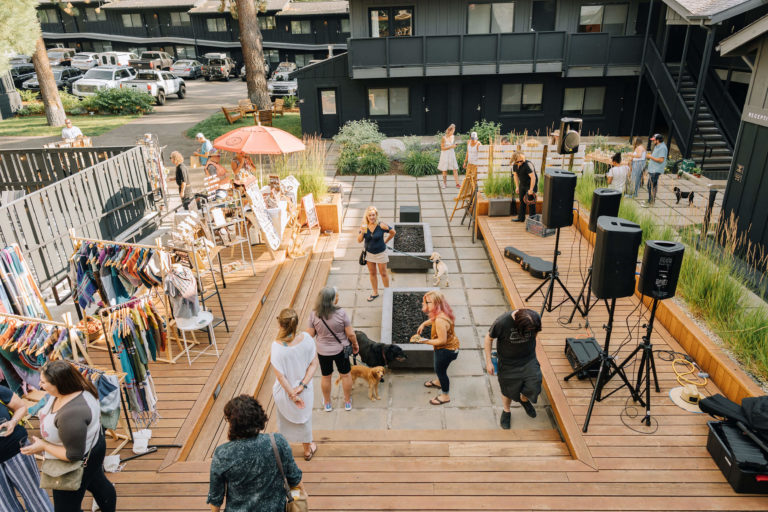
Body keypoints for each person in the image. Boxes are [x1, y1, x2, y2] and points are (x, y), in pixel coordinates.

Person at [21, 360, 116, 512]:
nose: (40, 385)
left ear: (59, 383)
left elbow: (73, 455)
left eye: (44, 382)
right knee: (97, 483)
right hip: (93, 447)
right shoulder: (78, 389)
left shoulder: (71, 415)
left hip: (78, 459)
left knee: (66, 508)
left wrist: (43, 445)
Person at [207, 395, 304, 512]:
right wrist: (298, 502)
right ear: (258, 417)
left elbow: (216, 499)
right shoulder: (277, 442)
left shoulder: (223, 454)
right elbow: (296, 481)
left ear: (233, 424)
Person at [270, 308, 319, 461]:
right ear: (296, 324)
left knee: (284, 420)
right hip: (303, 390)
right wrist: (302, 386)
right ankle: (307, 450)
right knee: (304, 419)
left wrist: (291, 394)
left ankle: (285, 450)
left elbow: (281, 377)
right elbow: (313, 364)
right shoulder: (307, 339)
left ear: (280, 325)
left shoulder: (277, 347)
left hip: (285, 392)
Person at [484, 309, 543, 429]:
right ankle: (506, 411)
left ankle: (524, 399)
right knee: (508, 390)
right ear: (517, 325)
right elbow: (488, 339)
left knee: (534, 384)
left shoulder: (535, 318)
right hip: (508, 363)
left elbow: (536, 333)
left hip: (528, 359)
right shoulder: (502, 322)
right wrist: (489, 361)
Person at [0, 384, 54, 512]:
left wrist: (12, 422)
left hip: (15, 449)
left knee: (37, 500)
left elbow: (21, 407)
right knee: (5, 507)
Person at [306, 287, 359, 412]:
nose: (338, 297)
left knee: (326, 376)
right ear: (331, 300)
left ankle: (327, 403)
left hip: (323, 352)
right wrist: (355, 345)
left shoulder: (314, 314)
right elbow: (350, 334)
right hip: (341, 350)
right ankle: (347, 402)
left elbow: (310, 334)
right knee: (346, 375)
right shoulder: (341, 313)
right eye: (336, 296)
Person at [416, 291, 460, 406]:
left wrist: (424, 341)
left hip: (446, 351)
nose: (424, 303)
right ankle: (439, 382)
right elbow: (433, 320)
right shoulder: (442, 312)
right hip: (452, 347)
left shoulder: (440, 321)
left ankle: (445, 395)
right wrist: (424, 324)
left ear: (435, 304)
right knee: (440, 368)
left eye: (427, 302)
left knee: (440, 371)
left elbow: (441, 341)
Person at [357, 206, 395, 302]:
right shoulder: (364, 226)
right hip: (369, 254)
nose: (372, 217)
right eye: (370, 215)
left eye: (373, 215)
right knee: (372, 273)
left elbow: (393, 232)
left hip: (381, 253)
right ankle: (375, 292)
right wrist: (362, 232)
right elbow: (359, 240)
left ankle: (387, 292)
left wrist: (385, 241)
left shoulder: (381, 225)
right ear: (367, 216)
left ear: (376, 215)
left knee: (383, 273)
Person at [511, 152, 537, 223]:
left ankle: (532, 220)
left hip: (530, 184)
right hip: (522, 184)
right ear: (515, 161)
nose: (520, 162)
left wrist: (531, 189)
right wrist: (517, 187)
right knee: (522, 201)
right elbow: (515, 176)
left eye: (521, 161)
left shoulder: (528, 165)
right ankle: (521, 218)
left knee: (530, 202)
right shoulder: (515, 166)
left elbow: (533, 177)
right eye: (518, 161)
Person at [645, 133, 667, 206]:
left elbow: (661, 160)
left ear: (658, 140)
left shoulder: (662, 148)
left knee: (651, 186)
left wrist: (650, 157)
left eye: (654, 140)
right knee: (651, 185)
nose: (653, 141)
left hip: (656, 170)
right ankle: (650, 200)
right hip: (652, 169)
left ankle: (651, 201)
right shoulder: (657, 146)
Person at [437, 124, 460, 189]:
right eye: (452, 131)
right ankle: (444, 184)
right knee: (444, 169)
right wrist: (451, 146)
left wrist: (454, 145)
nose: (453, 133)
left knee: (455, 169)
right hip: (445, 155)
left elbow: (452, 145)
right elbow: (442, 148)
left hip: (452, 154)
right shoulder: (443, 138)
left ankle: (457, 184)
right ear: (449, 131)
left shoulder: (452, 137)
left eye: (454, 131)